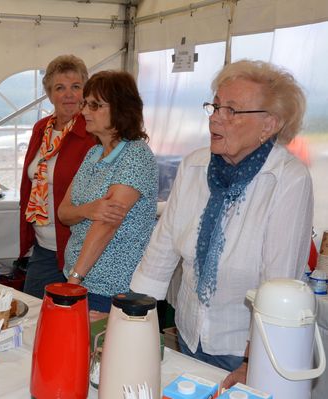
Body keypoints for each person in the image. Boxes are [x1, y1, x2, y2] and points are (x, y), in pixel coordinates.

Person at [130, 60, 313, 387]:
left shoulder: (287, 179)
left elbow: (279, 281)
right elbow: (163, 246)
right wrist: (132, 317)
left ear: (268, 124)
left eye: (232, 110)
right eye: (215, 106)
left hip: (243, 350)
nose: (216, 117)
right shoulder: (195, 165)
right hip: (190, 336)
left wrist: (253, 361)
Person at [58, 70, 158, 312]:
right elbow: (63, 213)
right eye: (86, 104)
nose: (84, 111)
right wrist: (88, 209)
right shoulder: (93, 154)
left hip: (110, 290)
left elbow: (106, 226)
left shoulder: (135, 156)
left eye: (95, 105)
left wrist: (73, 283)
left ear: (121, 109)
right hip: (80, 279)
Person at [20, 55, 96, 299]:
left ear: (86, 90)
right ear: (49, 94)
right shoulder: (41, 128)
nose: (69, 95)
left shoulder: (92, 133)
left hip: (76, 246)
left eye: (76, 87)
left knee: (70, 322)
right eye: (59, 88)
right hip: (44, 246)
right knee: (34, 313)